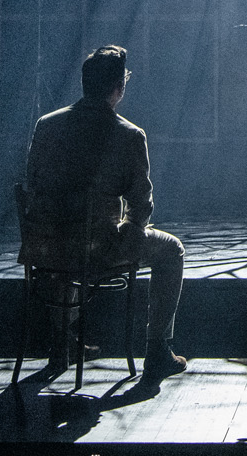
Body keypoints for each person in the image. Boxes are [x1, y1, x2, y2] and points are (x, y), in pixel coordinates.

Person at [22, 45, 188, 379]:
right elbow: (142, 204)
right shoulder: (128, 135)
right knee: (171, 251)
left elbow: (34, 184)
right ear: (119, 88)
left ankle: (61, 345)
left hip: (46, 246)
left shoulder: (46, 125)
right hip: (97, 249)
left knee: (66, 236)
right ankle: (157, 348)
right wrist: (129, 228)